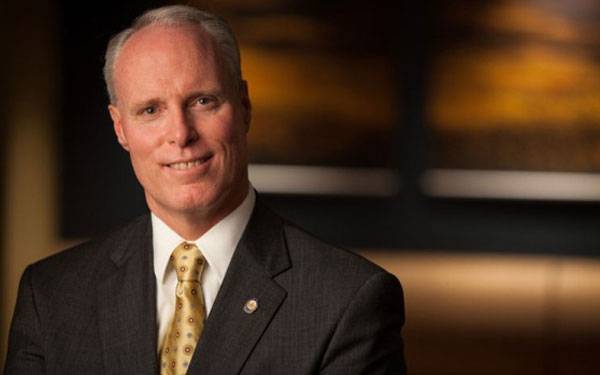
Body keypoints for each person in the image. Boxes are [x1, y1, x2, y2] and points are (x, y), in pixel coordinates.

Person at [4, 5, 406, 374]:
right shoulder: (52, 296)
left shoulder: (347, 300)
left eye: (202, 101)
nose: (180, 134)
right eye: (150, 110)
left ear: (244, 107)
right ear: (120, 128)